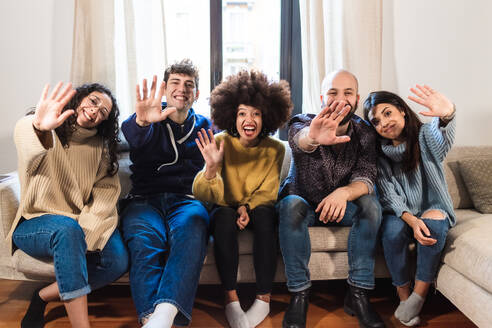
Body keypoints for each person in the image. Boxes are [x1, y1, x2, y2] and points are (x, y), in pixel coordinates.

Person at [10, 82, 128, 328]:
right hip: (34, 224)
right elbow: (25, 137)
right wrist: (38, 127)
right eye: (94, 101)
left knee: (117, 261)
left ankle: (42, 296)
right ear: (80, 98)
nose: (96, 111)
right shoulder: (43, 127)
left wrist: (85, 231)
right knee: (66, 230)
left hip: (76, 225)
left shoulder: (101, 148)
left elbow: (105, 195)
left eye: (104, 112)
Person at [277, 69, 385, 328]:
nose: (340, 99)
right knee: (290, 206)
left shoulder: (366, 134)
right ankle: (299, 295)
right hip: (304, 204)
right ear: (322, 97)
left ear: (357, 98)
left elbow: (367, 176)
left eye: (348, 93)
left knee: (371, 205)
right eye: (333, 92)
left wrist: (343, 193)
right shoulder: (302, 122)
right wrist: (313, 138)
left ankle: (358, 293)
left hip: (343, 207)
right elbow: (300, 141)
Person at [193, 70, 293, 328]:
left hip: (256, 209)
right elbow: (202, 194)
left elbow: (269, 191)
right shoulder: (219, 142)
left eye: (256, 113)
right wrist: (212, 170)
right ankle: (231, 299)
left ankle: (263, 297)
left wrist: (247, 207)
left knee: (265, 215)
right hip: (225, 208)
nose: (249, 120)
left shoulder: (276, 148)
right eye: (242, 113)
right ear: (231, 116)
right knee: (224, 216)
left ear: (267, 116)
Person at [120, 59, 211, 328]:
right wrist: (142, 121)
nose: (182, 89)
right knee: (143, 239)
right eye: (175, 83)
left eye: (189, 85)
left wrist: (214, 168)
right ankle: (151, 317)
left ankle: (164, 314)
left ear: (195, 93)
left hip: (186, 200)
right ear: (164, 88)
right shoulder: (148, 115)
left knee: (193, 227)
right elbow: (133, 135)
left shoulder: (205, 125)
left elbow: (213, 171)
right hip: (144, 200)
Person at [363, 86, 456, 326]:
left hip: (432, 206)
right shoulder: (379, 155)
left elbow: (441, 139)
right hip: (401, 212)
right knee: (392, 232)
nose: (383, 123)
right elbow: (389, 195)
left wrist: (447, 115)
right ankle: (404, 298)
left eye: (387, 113)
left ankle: (418, 296)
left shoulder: (425, 136)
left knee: (433, 222)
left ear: (403, 111)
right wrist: (412, 220)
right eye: (376, 121)